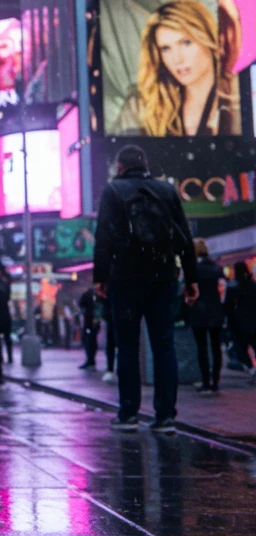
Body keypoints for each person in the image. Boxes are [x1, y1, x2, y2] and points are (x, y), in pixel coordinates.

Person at [93, 144, 197, 433]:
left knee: (126, 346)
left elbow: (103, 236)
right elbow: (184, 238)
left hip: (125, 279)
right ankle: (165, 416)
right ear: (146, 165)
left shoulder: (113, 191)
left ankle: (128, 413)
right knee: (164, 345)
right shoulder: (166, 191)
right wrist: (191, 279)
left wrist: (100, 277)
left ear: (120, 167)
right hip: (163, 277)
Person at [115, 0, 241, 138]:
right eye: (166, 49)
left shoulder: (239, 96)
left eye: (186, 43)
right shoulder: (140, 106)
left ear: (210, 39)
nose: (177, 59)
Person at [187, 239, 226, 395]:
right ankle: (215, 382)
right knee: (216, 347)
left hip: (199, 312)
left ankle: (205, 382)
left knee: (202, 347)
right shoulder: (217, 268)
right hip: (216, 311)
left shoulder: (194, 269)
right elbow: (223, 291)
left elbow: (189, 293)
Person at [225, 260, 256, 378]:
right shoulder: (253, 285)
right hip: (253, 320)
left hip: (238, 321)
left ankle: (250, 367)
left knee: (240, 349)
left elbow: (228, 305)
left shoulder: (233, 286)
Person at [77, 286, 102, 370]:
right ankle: (91, 361)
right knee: (92, 341)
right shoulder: (98, 295)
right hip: (95, 322)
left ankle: (90, 361)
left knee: (88, 341)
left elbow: (81, 304)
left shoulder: (88, 295)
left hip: (89, 322)